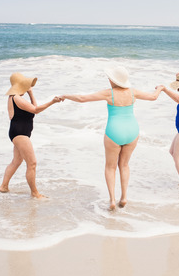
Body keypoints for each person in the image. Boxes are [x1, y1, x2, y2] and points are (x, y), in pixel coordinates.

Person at [57, 66, 163, 210]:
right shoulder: (133, 92)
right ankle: (124, 197)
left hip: (114, 131)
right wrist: (160, 88)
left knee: (110, 167)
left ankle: (112, 200)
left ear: (113, 80)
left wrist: (65, 95)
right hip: (132, 130)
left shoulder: (109, 93)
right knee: (124, 165)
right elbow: (153, 97)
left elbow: (82, 98)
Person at [0, 72, 63, 199]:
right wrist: (52, 102)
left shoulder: (16, 97)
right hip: (20, 133)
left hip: (18, 133)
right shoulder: (16, 98)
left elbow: (34, 107)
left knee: (16, 161)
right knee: (32, 163)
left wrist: (31, 93)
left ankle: (3, 187)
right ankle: (35, 193)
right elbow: (36, 110)